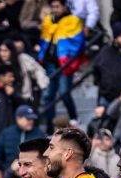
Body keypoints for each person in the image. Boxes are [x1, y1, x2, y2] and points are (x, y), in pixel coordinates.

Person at [38, 0, 84, 132]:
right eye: (52, 6)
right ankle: (48, 126)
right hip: (50, 63)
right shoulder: (48, 20)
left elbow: (77, 43)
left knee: (64, 93)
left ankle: (74, 118)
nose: (55, 9)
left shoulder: (73, 20)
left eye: (57, 6)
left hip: (65, 63)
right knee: (48, 95)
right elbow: (44, 39)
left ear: (65, 7)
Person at [0, 104, 46, 177]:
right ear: (18, 118)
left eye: (32, 119)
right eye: (28, 119)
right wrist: (9, 169)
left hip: (33, 176)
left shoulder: (39, 134)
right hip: (10, 176)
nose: (31, 121)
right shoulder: (6, 133)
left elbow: (45, 157)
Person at [0, 39, 48, 104]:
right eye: (1, 51)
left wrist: (42, 83)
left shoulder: (22, 59)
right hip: (4, 99)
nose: (2, 54)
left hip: (24, 97)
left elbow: (38, 70)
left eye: (5, 51)